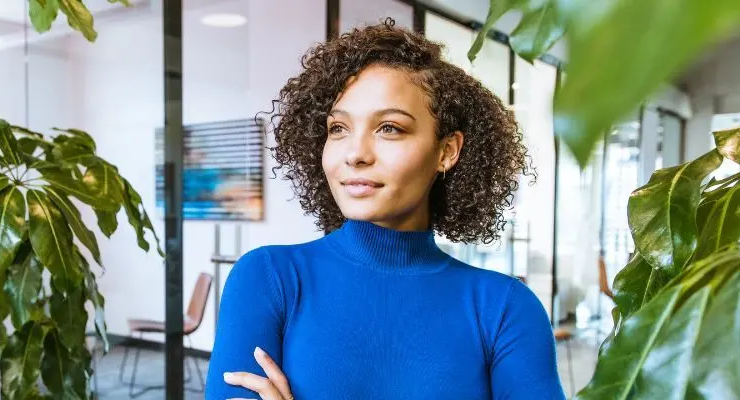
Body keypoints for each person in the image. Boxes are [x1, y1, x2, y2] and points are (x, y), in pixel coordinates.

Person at [204, 20, 563, 399]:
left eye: (389, 128)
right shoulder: (268, 279)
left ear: (447, 151)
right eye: (338, 128)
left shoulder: (503, 309)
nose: (356, 153)